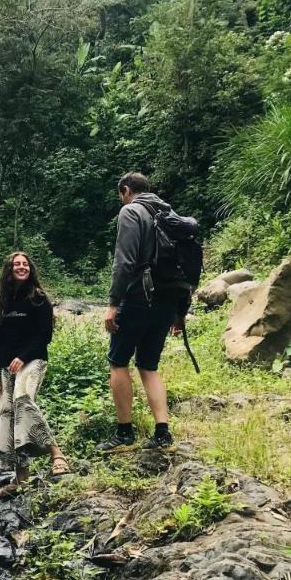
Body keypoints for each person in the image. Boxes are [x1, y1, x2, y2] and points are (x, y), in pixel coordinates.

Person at [101, 172, 190, 450]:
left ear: (126, 190)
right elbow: (186, 265)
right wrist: (181, 311)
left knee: (118, 361)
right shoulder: (169, 213)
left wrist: (113, 304)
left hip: (140, 295)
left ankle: (124, 433)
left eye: (121, 194)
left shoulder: (131, 211)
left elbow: (124, 262)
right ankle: (163, 434)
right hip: (168, 299)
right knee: (149, 365)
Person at [0, 252, 72, 499]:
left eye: (25, 264)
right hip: (5, 365)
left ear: (30, 269)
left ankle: (57, 454)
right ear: (9, 269)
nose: (21, 267)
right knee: (6, 413)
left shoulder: (38, 298)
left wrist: (23, 356)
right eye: (17, 264)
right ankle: (21, 479)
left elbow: (44, 335)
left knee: (23, 399)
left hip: (32, 360)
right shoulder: (1, 301)